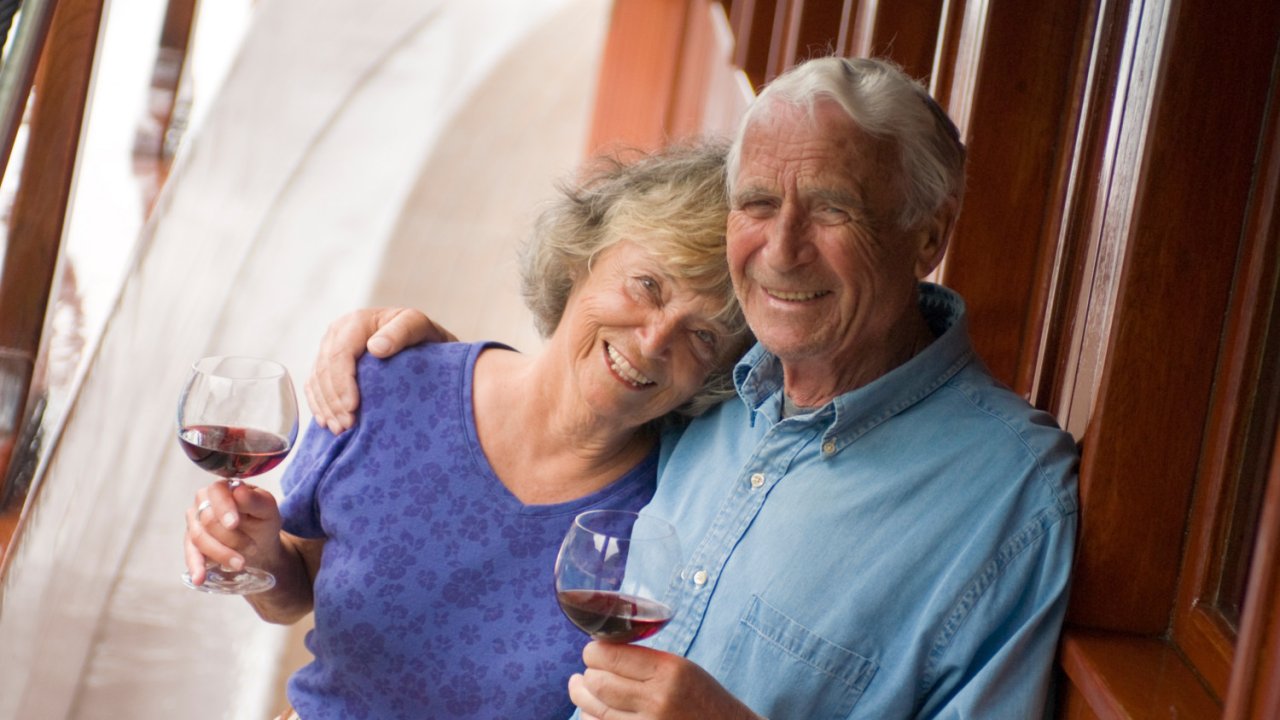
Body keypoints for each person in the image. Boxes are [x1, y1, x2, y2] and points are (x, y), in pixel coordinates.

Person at [308, 56, 1080, 719]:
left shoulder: (1011, 498)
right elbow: (563, 408)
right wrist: (421, 366)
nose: (782, 250)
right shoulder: (710, 394)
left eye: (833, 209)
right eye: (758, 203)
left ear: (929, 234)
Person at [183, 140, 754, 720]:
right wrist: (254, 558)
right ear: (581, 258)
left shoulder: (672, 504)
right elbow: (295, 589)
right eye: (647, 285)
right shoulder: (386, 384)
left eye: (702, 335)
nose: (654, 340)